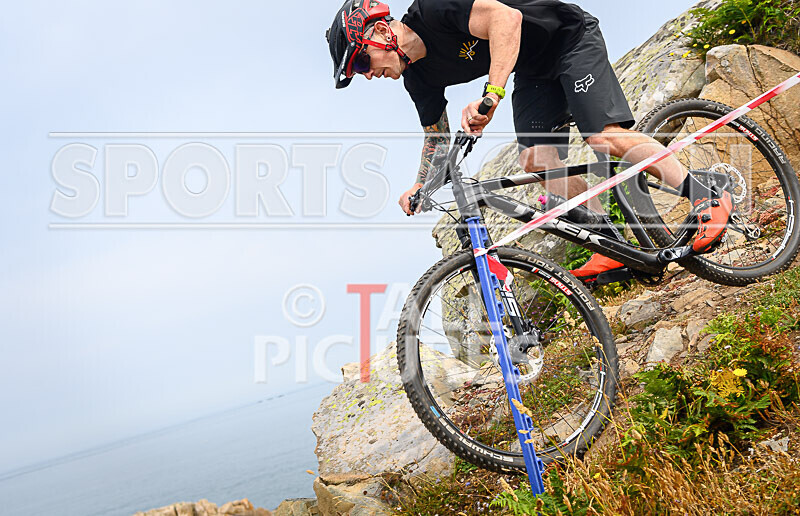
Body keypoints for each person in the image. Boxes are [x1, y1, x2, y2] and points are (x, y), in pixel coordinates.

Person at [325, 0, 732, 282]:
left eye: (361, 61)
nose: (366, 74)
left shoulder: (435, 9)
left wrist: (493, 94)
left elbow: (506, 21)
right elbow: (437, 138)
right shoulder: (418, 77)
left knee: (603, 137)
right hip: (534, 71)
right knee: (537, 161)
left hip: (569, 40)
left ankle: (706, 191)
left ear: (381, 31)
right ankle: (611, 244)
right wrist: (421, 185)